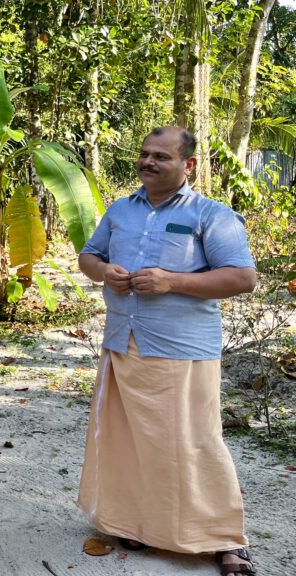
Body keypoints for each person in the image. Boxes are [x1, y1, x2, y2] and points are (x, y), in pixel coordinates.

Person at [77, 127, 258, 576]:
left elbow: (242, 277)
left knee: (194, 442)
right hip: (124, 341)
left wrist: (171, 281)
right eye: (144, 154)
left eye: (161, 155)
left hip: (182, 348)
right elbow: (87, 256)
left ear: (188, 164)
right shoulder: (121, 210)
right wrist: (104, 272)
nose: (148, 162)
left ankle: (224, 541)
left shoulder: (211, 215)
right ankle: (136, 525)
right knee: (130, 441)